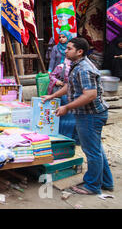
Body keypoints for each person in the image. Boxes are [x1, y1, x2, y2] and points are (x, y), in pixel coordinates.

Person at [43, 37, 113, 195]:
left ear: (79, 51)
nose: (65, 50)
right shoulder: (77, 65)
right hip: (89, 114)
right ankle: (105, 182)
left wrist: (66, 107)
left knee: (92, 151)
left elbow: (90, 95)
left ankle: (92, 186)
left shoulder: (84, 69)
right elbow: (69, 86)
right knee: (96, 149)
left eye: (69, 48)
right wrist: (52, 97)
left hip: (91, 115)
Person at [47, 58, 79, 143]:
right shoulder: (60, 67)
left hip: (75, 95)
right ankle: (65, 138)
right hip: (63, 94)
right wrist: (57, 81)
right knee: (64, 117)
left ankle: (73, 138)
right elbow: (51, 76)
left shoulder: (79, 67)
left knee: (73, 117)